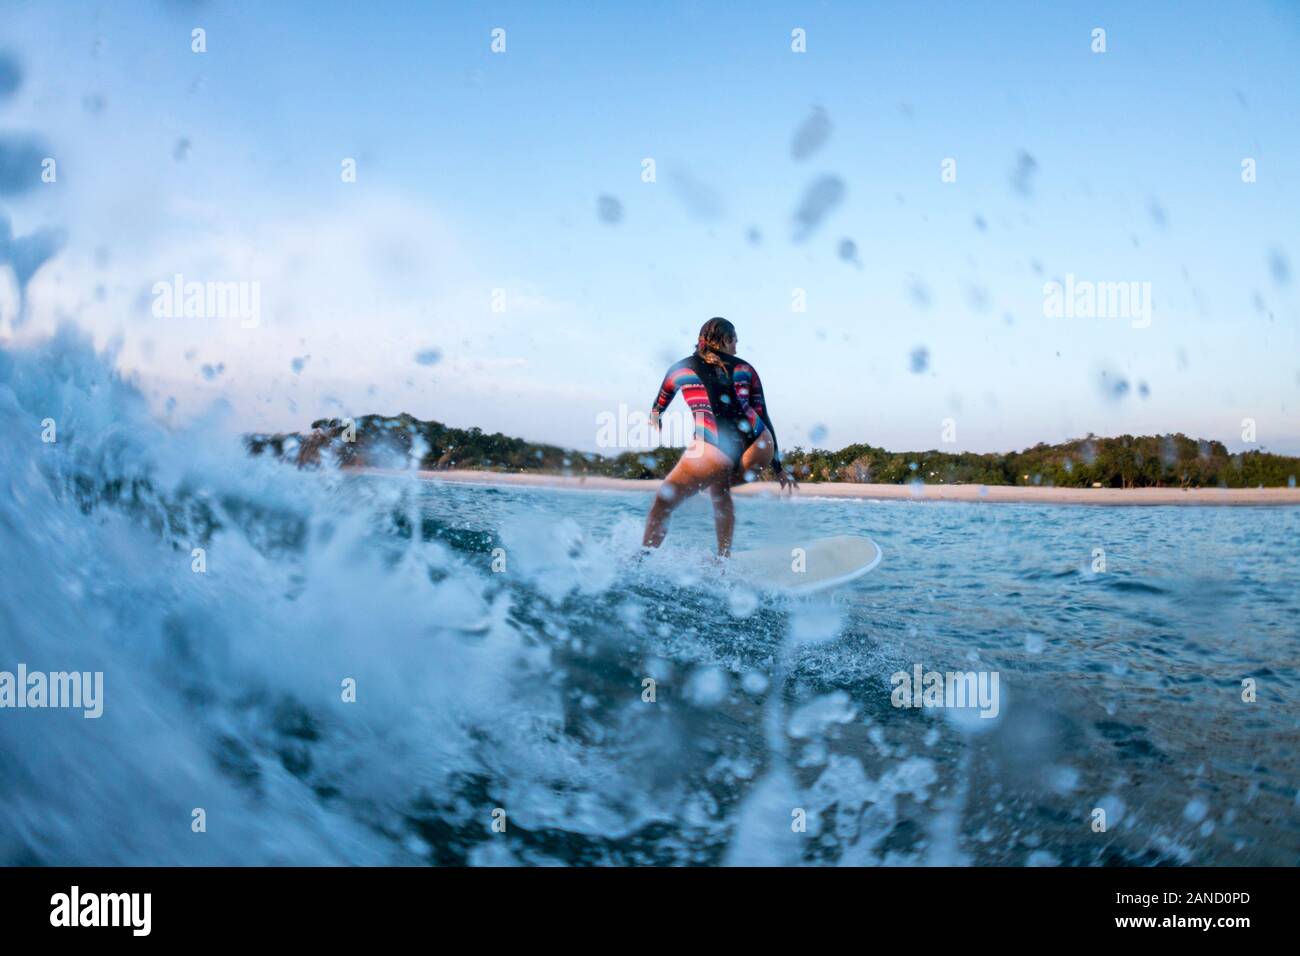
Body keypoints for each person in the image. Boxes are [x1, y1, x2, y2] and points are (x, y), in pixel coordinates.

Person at [642, 317, 796, 556]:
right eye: (735, 341)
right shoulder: (746, 368)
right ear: (725, 340)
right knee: (719, 490)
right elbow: (762, 414)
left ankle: (641, 561)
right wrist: (778, 468)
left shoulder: (680, 368)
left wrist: (655, 417)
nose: (737, 347)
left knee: (664, 501)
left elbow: (660, 402)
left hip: (714, 448)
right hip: (760, 443)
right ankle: (723, 561)